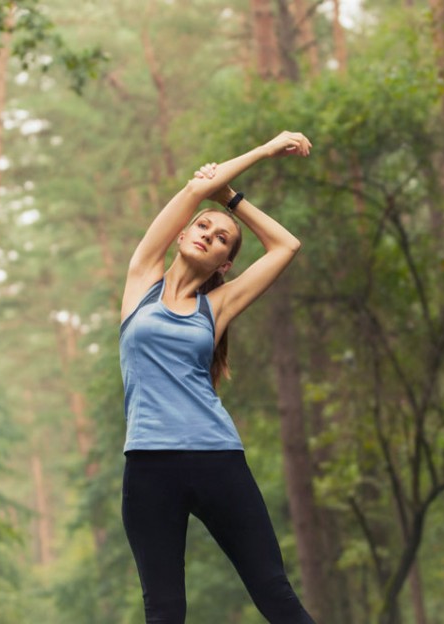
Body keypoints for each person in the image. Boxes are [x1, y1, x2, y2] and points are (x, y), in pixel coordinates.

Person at [119, 131, 317, 623]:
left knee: (274, 592)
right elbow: (191, 192)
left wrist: (230, 197)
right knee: (164, 610)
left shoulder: (218, 306)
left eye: (221, 237)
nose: (208, 232)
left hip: (217, 459)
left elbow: (285, 245)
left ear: (224, 263)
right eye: (203, 226)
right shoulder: (141, 280)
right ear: (183, 236)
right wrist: (249, 159)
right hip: (148, 466)